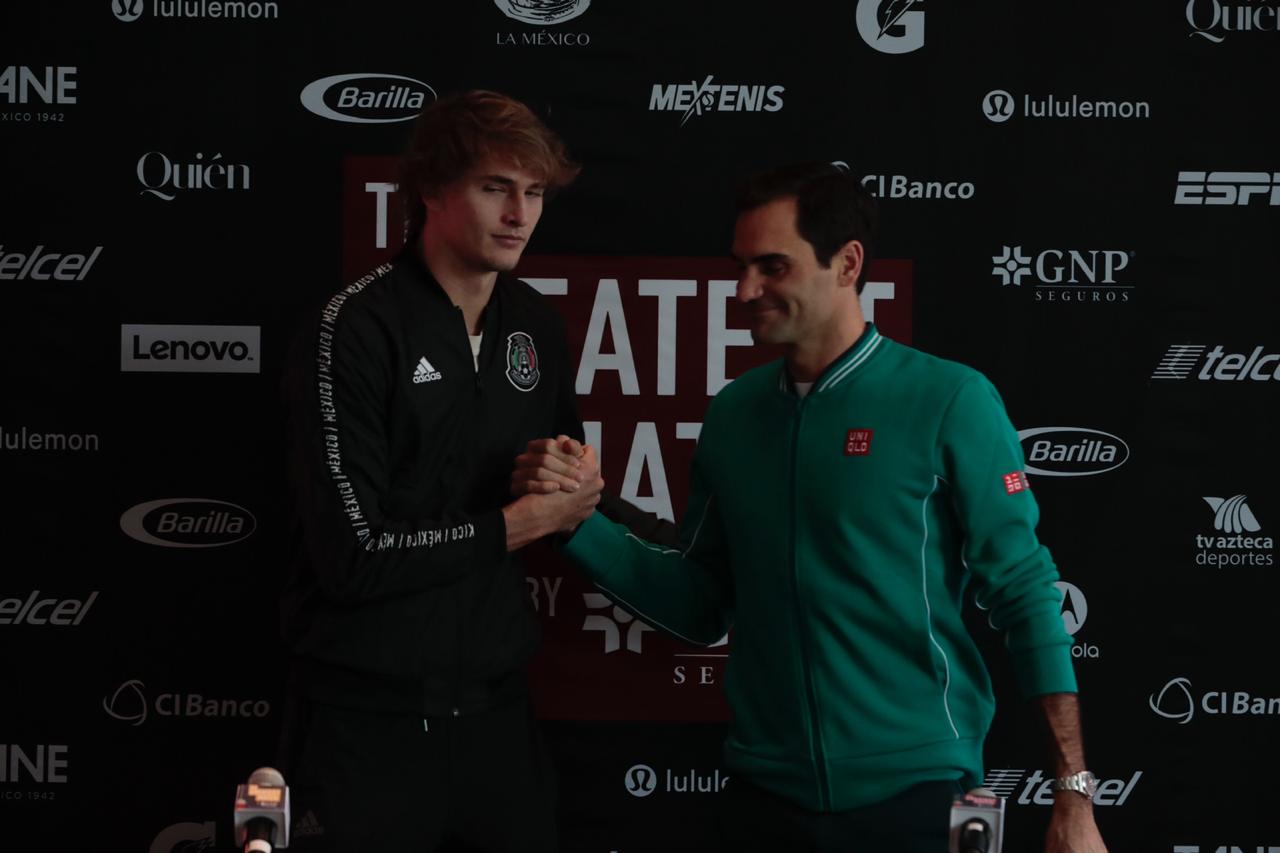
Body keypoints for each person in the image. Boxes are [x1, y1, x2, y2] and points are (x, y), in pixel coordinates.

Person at [514, 163, 1108, 851]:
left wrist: (1073, 796)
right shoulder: (734, 415)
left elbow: (1027, 592)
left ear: (848, 263)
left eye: (773, 266)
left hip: (917, 794)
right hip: (765, 799)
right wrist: (576, 525)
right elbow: (699, 602)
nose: (745, 290)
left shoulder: (949, 400)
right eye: (741, 266)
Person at [277, 90, 626, 853]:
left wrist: (572, 478)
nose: (520, 213)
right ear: (432, 190)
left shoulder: (533, 323)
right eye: (495, 187)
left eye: (533, 192)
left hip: (498, 719)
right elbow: (353, 554)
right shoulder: (355, 330)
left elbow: (564, 490)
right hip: (368, 724)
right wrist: (516, 525)